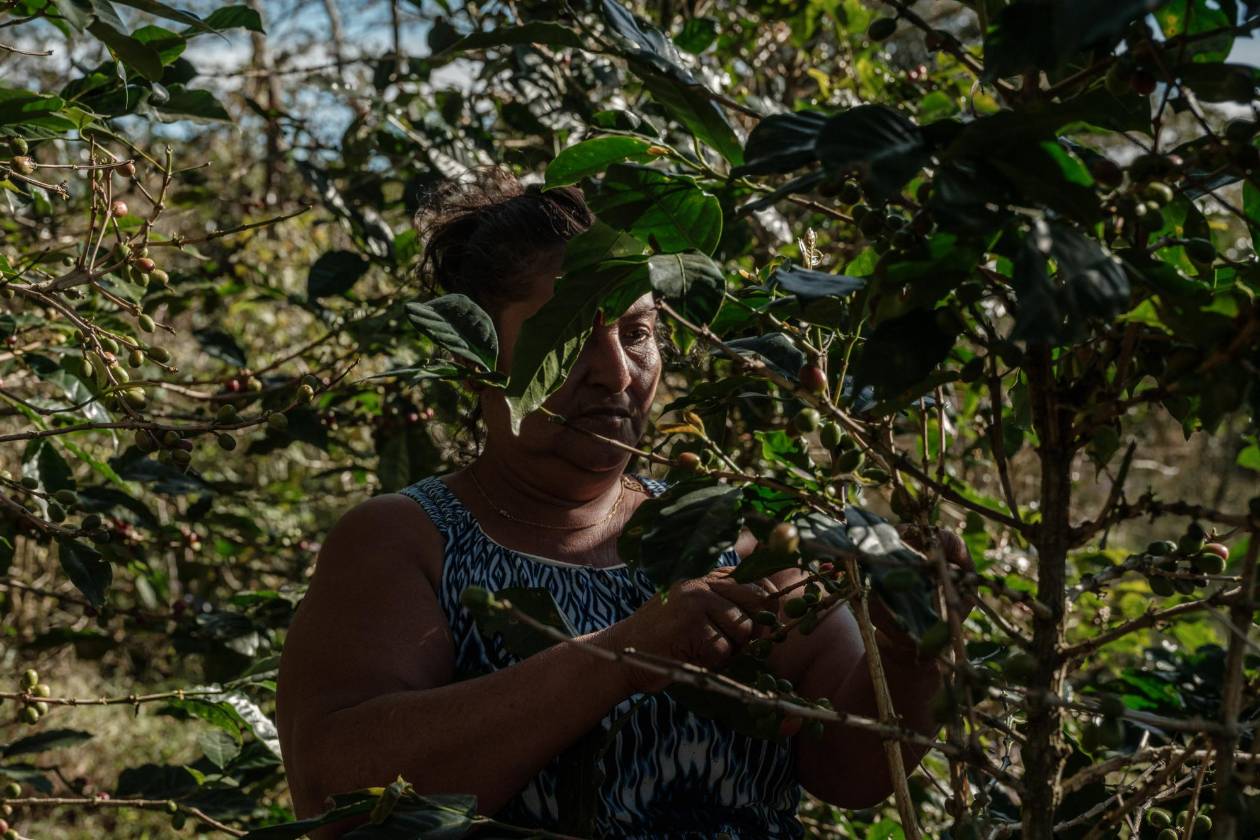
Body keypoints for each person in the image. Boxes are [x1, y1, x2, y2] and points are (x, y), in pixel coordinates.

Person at [275, 168, 964, 839]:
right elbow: (337, 794)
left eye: (636, 333)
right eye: (570, 334)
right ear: (475, 356)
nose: (615, 372)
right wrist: (623, 655)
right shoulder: (407, 541)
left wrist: (910, 645)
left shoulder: (733, 531)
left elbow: (853, 773)